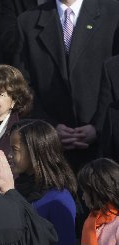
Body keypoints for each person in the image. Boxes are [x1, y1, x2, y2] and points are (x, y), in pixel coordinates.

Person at [15, 0, 119, 170]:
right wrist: (49, 128)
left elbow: (116, 74)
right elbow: (24, 85)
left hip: (104, 152)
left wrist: (98, 127)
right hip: (52, 153)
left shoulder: (114, 13)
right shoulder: (27, 22)